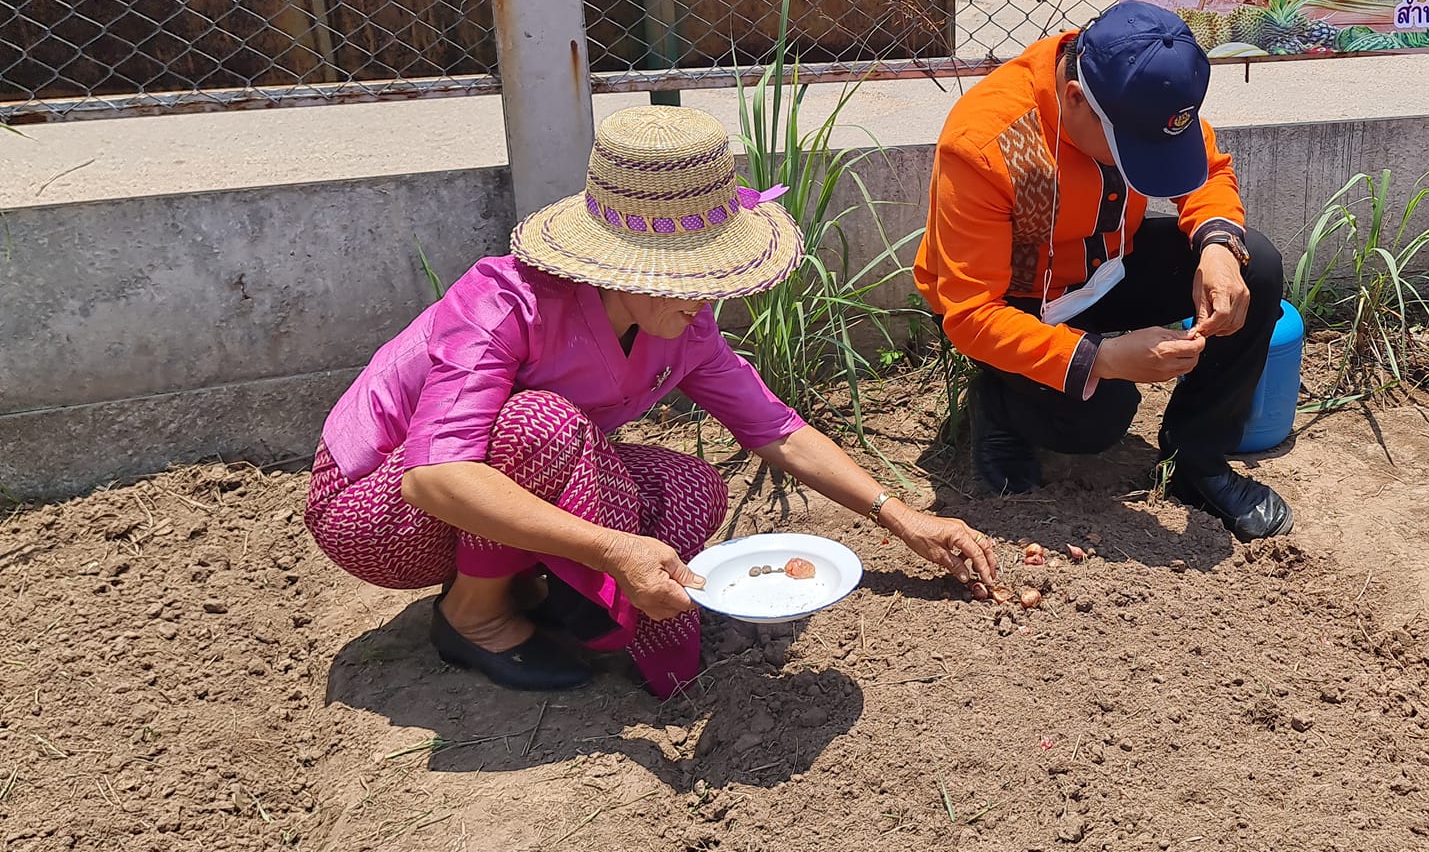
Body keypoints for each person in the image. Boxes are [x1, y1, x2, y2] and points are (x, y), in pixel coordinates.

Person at [305, 107, 998, 697]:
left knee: (693, 490)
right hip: (375, 513)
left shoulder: (681, 322)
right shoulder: (505, 302)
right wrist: (612, 548)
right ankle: (473, 615)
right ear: (624, 263)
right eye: (690, 274)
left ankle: (536, 589)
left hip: (480, 487)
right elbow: (434, 477)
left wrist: (903, 518)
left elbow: (776, 429)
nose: (708, 293)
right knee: (541, 425)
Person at [915, 0, 1293, 540]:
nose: (1144, 163)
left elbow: (1206, 172)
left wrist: (1217, 249)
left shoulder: (1143, 86)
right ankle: (1000, 406)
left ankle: (1196, 462)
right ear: (1075, 99)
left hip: (1104, 267)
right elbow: (972, 312)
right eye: (1132, 150)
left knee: (1256, 267)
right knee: (1100, 416)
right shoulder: (987, 143)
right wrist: (1104, 358)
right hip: (1014, 299)